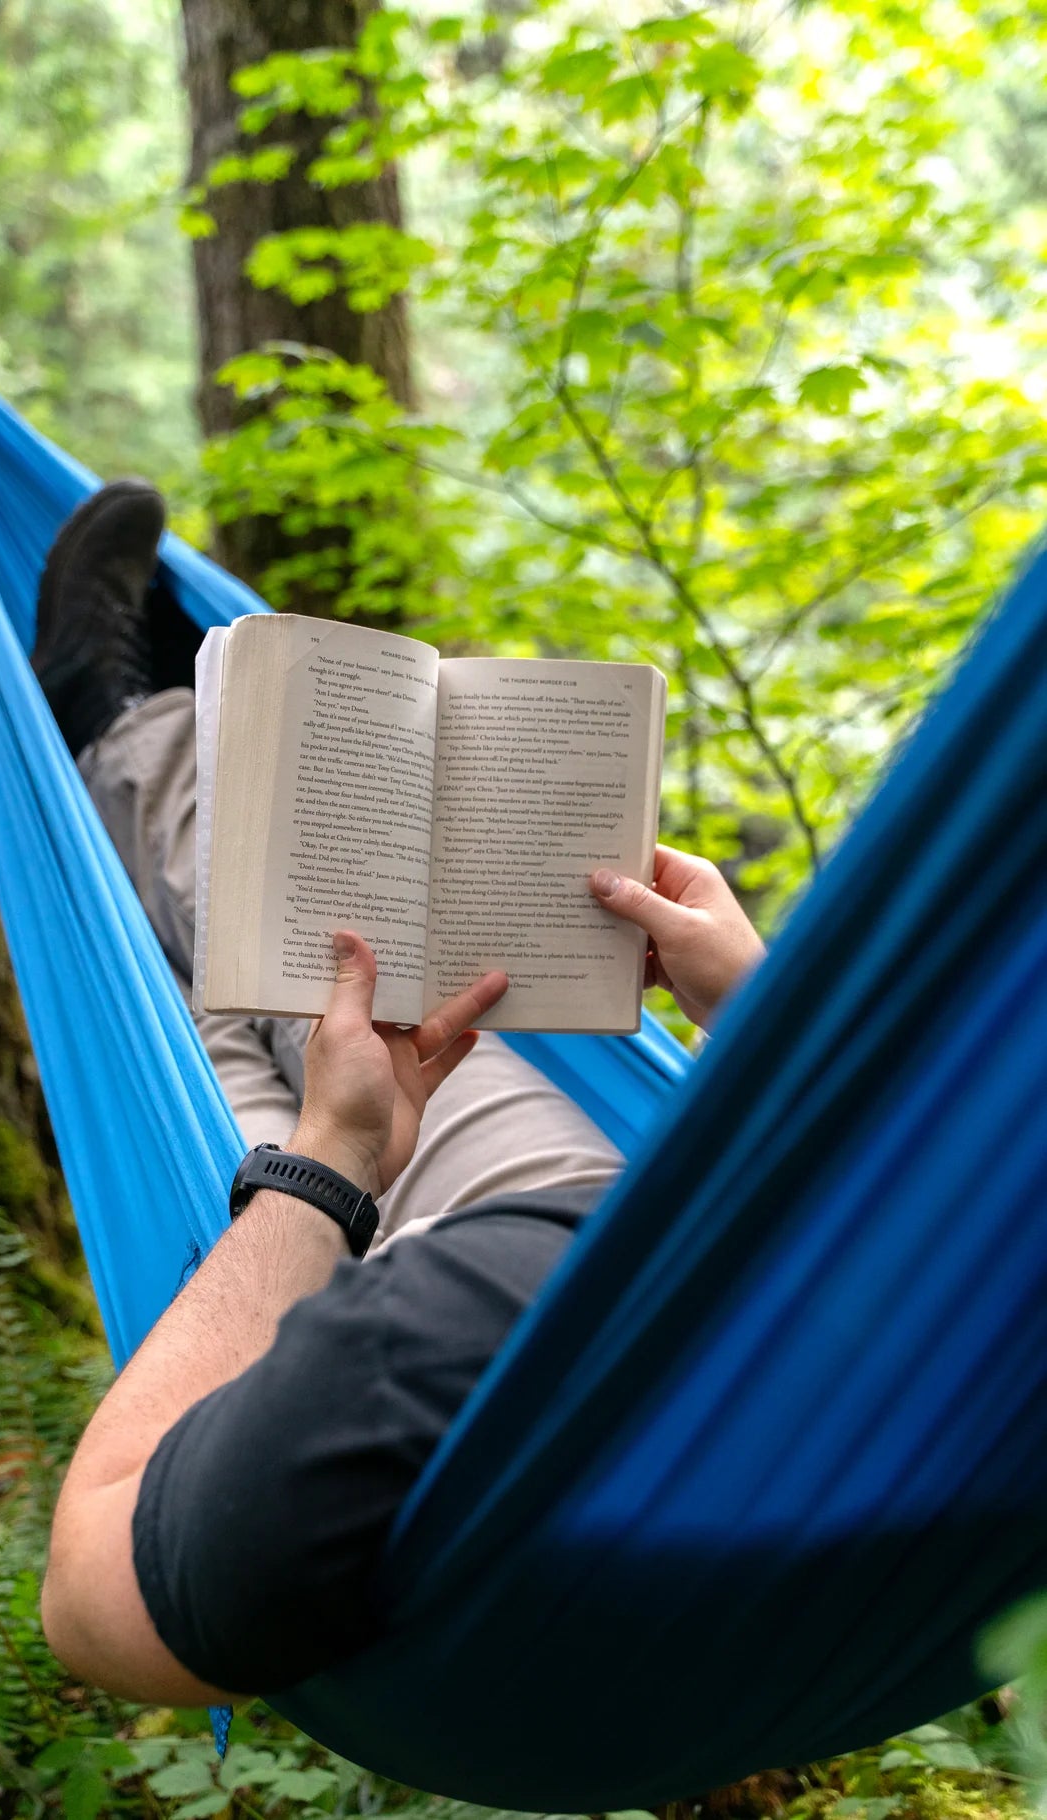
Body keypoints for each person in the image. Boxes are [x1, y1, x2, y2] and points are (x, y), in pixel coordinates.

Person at [37, 482, 766, 1706]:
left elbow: (86, 1597)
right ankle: (157, 812)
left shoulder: (399, 1370)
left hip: (502, 1290)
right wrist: (754, 1013)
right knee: (314, 1009)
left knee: (310, 976)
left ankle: (130, 739)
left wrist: (332, 1156)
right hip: (679, 1264)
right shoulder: (958, 1301)